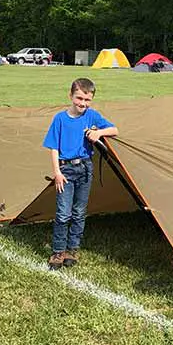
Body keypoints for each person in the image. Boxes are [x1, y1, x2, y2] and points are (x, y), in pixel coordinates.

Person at [42, 78, 118, 270]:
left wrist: (99, 133)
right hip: (65, 170)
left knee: (79, 212)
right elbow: (53, 148)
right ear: (71, 96)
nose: (83, 103)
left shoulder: (92, 116)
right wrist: (57, 173)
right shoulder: (60, 119)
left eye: (87, 100)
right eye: (79, 98)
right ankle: (58, 251)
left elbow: (115, 129)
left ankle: (72, 249)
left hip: (85, 168)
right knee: (63, 213)